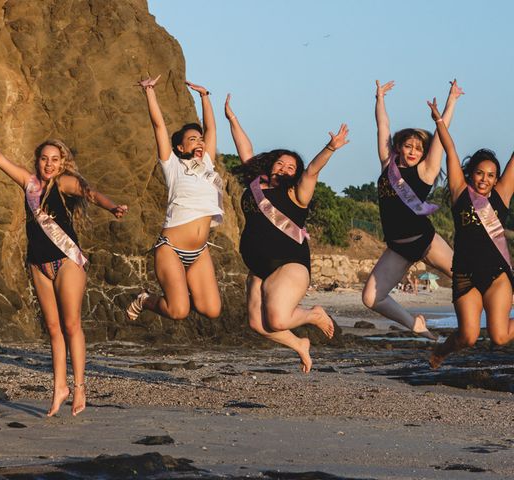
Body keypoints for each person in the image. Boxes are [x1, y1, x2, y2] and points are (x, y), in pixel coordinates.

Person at [0, 121, 127, 416]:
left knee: (71, 325)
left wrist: (111, 207)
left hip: (67, 261)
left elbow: (91, 193)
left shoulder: (64, 182)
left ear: (62, 163)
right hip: (38, 264)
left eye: (55, 159)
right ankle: (60, 387)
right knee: (53, 329)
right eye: (44, 159)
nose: (49, 164)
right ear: (37, 161)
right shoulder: (29, 183)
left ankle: (80, 387)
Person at [225, 94, 347, 372]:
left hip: (290, 263)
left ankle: (313, 314)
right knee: (258, 324)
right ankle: (299, 344)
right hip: (258, 267)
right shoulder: (255, 184)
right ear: (270, 165)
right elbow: (245, 149)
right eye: (280, 163)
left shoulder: (296, 193)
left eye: (291, 167)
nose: (284, 168)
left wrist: (330, 147)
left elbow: (313, 171)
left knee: (278, 320)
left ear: (296, 174)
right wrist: (232, 118)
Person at [362, 80, 464, 339]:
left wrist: (451, 101)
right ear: (398, 147)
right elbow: (382, 127)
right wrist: (380, 99)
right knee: (371, 297)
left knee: (467, 277)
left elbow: (441, 138)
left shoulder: (426, 171)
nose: (412, 151)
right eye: (408, 146)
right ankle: (415, 324)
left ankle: (488, 317)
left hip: (427, 241)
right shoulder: (388, 166)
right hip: (398, 248)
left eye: (418, 148)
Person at [126, 76, 224, 322]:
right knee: (178, 311)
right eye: (192, 139)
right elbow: (159, 126)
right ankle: (145, 300)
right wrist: (149, 91)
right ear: (180, 148)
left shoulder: (208, 165)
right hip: (171, 249)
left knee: (212, 310)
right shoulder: (173, 166)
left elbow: (211, 130)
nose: (200, 142)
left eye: (200, 139)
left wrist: (205, 97)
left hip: (199, 251)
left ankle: (183, 285)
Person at [427, 98, 514, 368]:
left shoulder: (501, 196)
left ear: (497, 179)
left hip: (497, 275)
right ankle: (442, 350)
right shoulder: (460, 194)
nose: (485, 179)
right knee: (468, 336)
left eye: (491, 175)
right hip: (465, 275)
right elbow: (450, 151)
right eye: (480, 173)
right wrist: (439, 122)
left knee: (499, 337)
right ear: (471, 174)